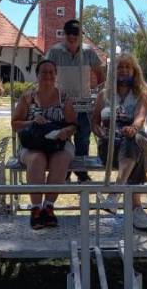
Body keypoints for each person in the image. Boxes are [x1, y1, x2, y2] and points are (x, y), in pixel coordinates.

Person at [11, 59, 78, 229]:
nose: (47, 75)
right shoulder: (28, 98)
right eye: (43, 72)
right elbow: (15, 124)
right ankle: (35, 208)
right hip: (33, 144)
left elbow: (74, 125)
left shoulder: (64, 98)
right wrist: (32, 122)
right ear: (37, 75)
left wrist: (65, 132)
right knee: (37, 160)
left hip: (58, 144)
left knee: (61, 159)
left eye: (51, 72)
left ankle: (48, 207)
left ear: (55, 75)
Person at [92, 53, 147, 231]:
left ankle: (115, 193)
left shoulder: (140, 95)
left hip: (133, 140)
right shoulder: (104, 95)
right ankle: (136, 208)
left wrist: (133, 128)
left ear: (134, 71)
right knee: (137, 151)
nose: (123, 70)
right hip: (110, 147)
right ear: (113, 71)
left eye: (127, 67)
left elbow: (141, 117)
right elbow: (94, 122)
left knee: (135, 140)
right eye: (119, 67)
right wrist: (100, 131)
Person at [46, 19, 105, 183]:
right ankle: (65, 171)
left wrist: (99, 93)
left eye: (76, 33)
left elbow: (100, 73)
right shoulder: (54, 52)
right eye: (69, 33)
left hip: (83, 103)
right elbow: (45, 73)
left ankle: (81, 172)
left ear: (81, 35)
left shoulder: (89, 52)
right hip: (61, 104)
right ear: (64, 34)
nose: (72, 37)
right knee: (63, 139)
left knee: (83, 138)